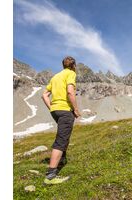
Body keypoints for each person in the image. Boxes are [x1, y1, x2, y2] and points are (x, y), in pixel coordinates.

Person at [41, 56, 81, 184]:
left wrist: (52, 107)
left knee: (64, 135)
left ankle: (62, 159)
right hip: (65, 111)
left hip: (55, 111)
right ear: (73, 65)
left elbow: (44, 95)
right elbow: (70, 92)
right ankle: (51, 175)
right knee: (62, 139)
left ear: (63, 65)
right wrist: (75, 109)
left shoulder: (55, 77)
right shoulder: (71, 74)